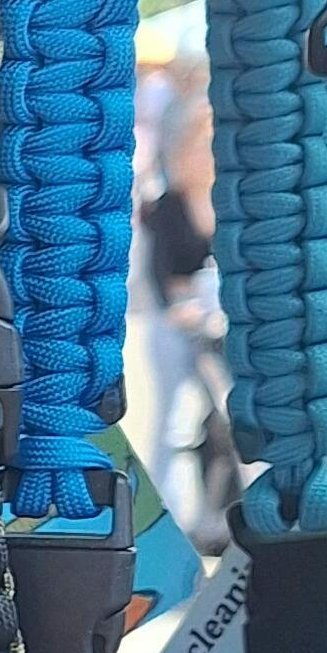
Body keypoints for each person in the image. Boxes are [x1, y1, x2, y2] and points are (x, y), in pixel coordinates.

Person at [132, 83, 229, 543]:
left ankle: (217, 513)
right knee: (174, 423)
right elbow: (160, 273)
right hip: (176, 326)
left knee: (226, 420)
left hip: (221, 325)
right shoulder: (166, 207)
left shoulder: (230, 202)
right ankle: (168, 516)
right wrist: (183, 303)